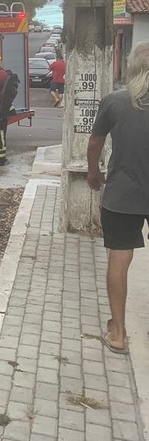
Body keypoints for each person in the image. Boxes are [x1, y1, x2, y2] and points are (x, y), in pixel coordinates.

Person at [86, 42, 149, 356]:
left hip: (123, 192)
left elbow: (95, 142)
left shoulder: (115, 101)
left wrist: (93, 172)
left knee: (119, 259)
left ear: (132, 67)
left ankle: (119, 334)